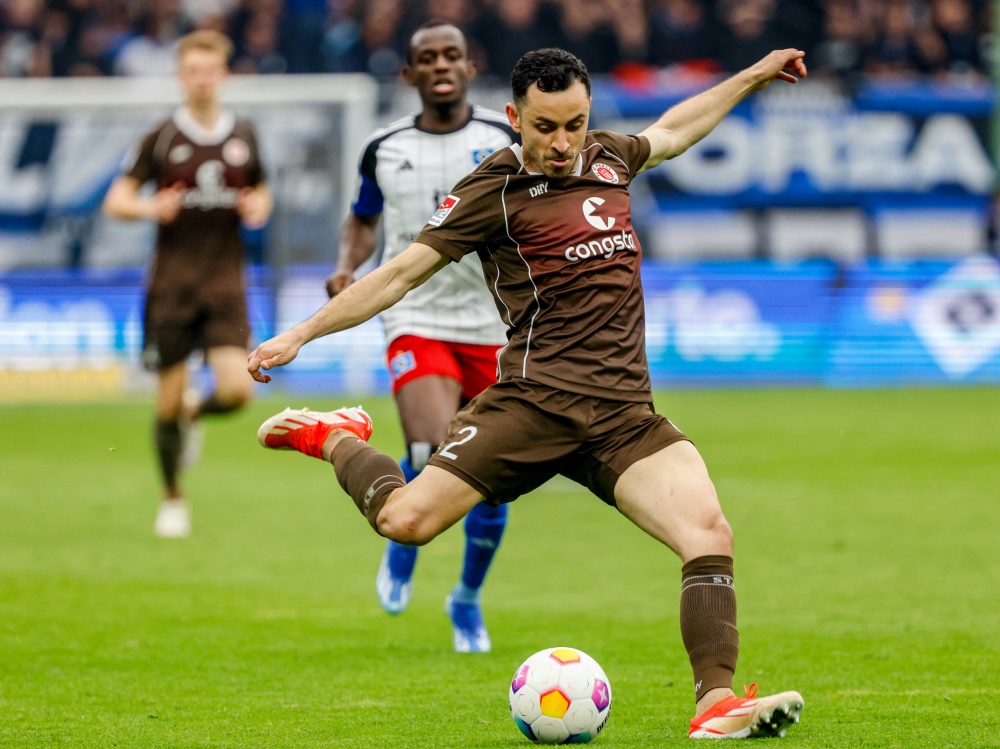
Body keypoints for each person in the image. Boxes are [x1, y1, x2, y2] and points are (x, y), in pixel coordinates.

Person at [248, 46, 807, 739]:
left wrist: (753, 76)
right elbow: (397, 277)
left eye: (574, 123)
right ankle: (332, 435)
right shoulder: (492, 192)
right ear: (515, 117)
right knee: (406, 523)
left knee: (708, 532)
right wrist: (300, 333)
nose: (562, 143)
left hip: (624, 414)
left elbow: (677, 129)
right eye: (545, 127)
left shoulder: (610, 157)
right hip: (533, 405)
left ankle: (714, 702)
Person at [326, 20, 516, 653]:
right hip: (416, 315)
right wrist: (349, 266)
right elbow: (362, 219)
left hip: (496, 322)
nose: (440, 65)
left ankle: (466, 598)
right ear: (409, 74)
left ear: (469, 66)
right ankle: (404, 542)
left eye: (452, 55)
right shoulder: (384, 146)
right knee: (435, 447)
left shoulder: (502, 138)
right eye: (427, 57)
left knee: (489, 473)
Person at [104, 29, 272, 538]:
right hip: (172, 287)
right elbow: (118, 199)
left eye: (209, 70)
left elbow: (261, 189)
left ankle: (196, 415)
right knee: (166, 403)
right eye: (192, 71)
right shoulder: (161, 137)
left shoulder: (243, 133)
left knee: (238, 393)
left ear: (223, 74)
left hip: (224, 284)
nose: (201, 80)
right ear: (182, 76)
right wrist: (149, 206)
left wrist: (258, 206)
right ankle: (173, 498)